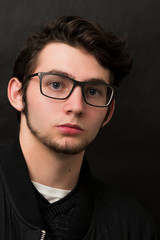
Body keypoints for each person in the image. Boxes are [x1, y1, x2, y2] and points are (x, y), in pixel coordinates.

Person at [0, 15, 157, 240]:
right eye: (56, 84)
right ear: (18, 95)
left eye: (93, 91)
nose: (76, 107)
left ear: (108, 112)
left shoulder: (132, 226)